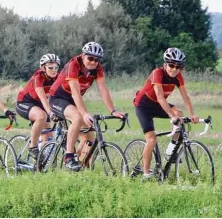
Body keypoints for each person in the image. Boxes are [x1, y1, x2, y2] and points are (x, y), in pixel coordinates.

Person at [48, 42, 124, 171]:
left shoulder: (97, 68)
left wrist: (113, 110)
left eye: (97, 59)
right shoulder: (74, 65)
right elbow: (75, 92)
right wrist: (84, 113)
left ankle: (78, 166)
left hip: (72, 101)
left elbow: (103, 90)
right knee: (77, 117)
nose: (93, 62)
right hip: (58, 98)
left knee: (89, 136)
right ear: (83, 56)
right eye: (90, 58)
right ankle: (68, 156)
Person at [133, 47, 199, 179]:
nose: (174, 69)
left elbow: (185, 97)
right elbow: (160, 97)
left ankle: (170, 151)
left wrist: (192, 114)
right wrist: (171, 116)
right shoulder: (157, 73)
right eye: (171, 65)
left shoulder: (178, 77)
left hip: (158, 105)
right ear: (165, 65)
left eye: (178, 66)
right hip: (144, 106)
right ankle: (146, 174)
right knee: (151, 139)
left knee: (180, 113)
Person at [15, 53, 60, 164]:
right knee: (42, 116)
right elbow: (43, 97)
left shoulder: (57, 78)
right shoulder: (38, 77)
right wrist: (50, 112)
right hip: (25, 103)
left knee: (48, 136)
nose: (54, 70)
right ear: (43, 68)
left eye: (56, 67)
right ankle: (33, 147)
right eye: (50, 68)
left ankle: (41, 164)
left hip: (40, 105)